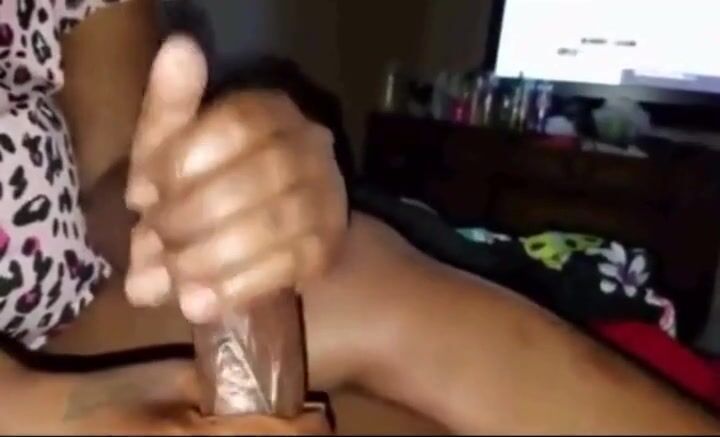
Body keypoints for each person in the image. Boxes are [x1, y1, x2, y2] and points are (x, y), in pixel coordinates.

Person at [0, 0, 719, 434]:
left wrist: (215, 194)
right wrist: (58, 412)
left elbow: (112, 186)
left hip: (81, 314)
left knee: (369, 293)